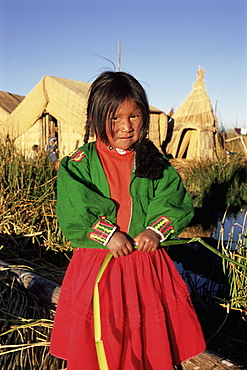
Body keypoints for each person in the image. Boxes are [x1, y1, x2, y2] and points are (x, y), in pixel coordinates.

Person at [50, 71, 206, 369]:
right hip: (99, 264)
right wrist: (107, 234)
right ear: (96, 119)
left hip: (144, 263)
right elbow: (73, 207)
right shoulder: (79, 165)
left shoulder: (153, 162)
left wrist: (155, 230)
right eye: (114, 118)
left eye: (134, 117)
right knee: (101, 335)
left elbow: (174, 200)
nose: (125, 126)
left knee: (146, 336)